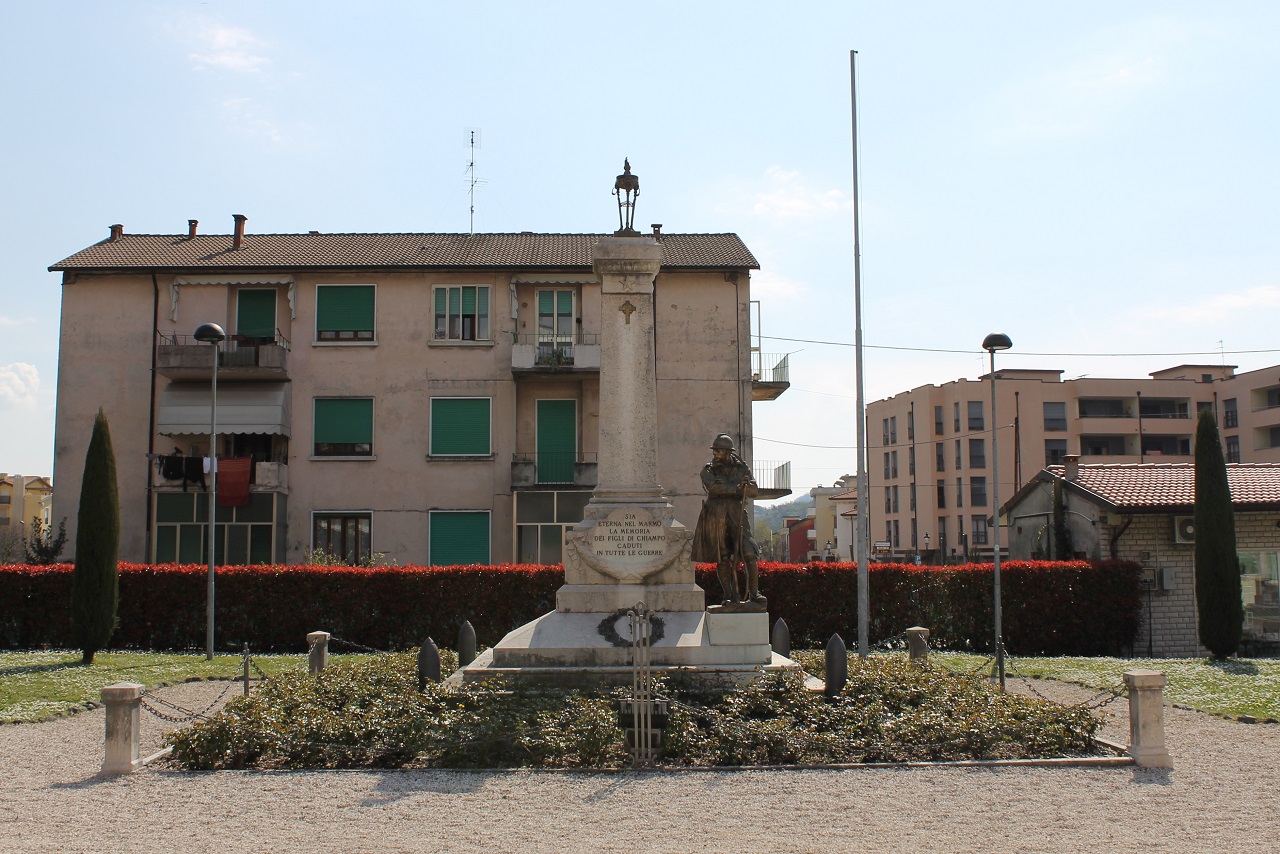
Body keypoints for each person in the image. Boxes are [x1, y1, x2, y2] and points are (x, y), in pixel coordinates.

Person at [692, 434, 766, 611]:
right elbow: (713, 487)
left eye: (718, 450)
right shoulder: (708, 469)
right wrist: (737, 487)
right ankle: (728, 595)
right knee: (722, 556)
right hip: (715, 514)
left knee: (749, 551)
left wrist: (739, 487)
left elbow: (753, 490)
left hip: (736, 512)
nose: (715, 453)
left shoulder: (742, 467)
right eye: (714, 450)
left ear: (727, 452)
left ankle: (754, 593)